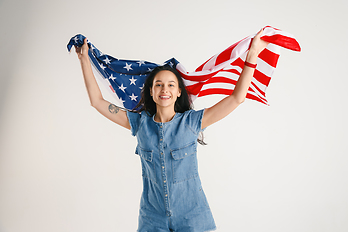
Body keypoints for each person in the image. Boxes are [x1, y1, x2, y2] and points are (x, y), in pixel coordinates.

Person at [75, 29, 269, 232]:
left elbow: (236, 98)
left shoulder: (192, 122)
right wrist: (84, 60)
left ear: (178, 92)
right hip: (152, 219)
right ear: (151, 91)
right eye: (158, 85)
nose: (164, 89)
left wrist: (252, 56)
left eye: (170, 85)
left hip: (192, 217)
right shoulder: (139, 123)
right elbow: (97, 102)